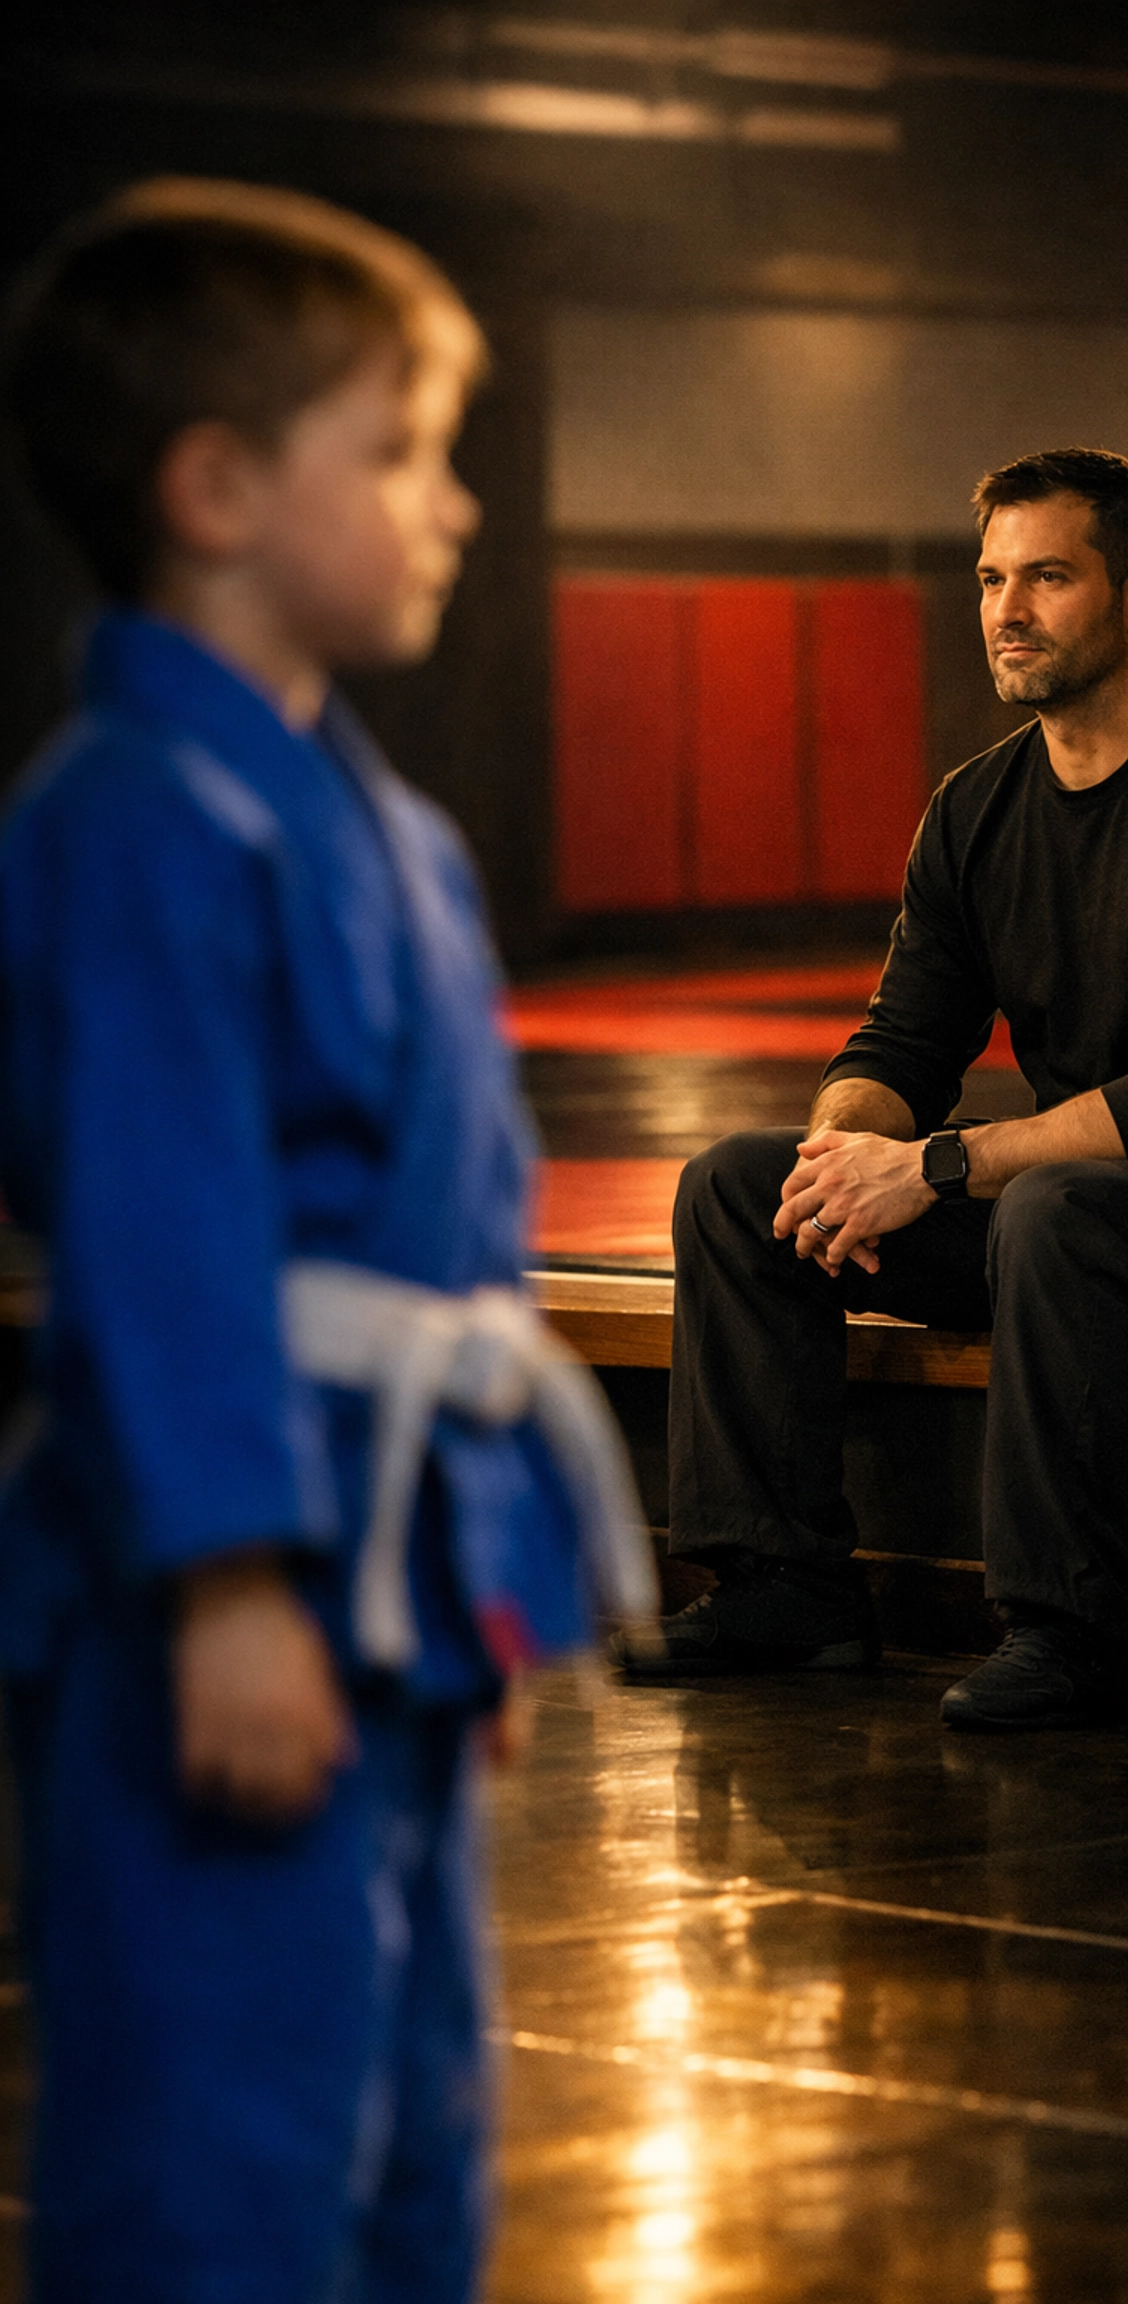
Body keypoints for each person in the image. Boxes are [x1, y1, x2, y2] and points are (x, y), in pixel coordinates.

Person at [0, 178, 651, 2304]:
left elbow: (454, 1237)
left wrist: (472, 1584)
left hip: (386, 1572)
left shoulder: (392, 830)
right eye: (394, 452)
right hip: (224, 1576)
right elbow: (156, 1238)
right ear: (211, 488)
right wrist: (229, 1586)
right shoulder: (130, 821)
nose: (451, 504)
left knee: (410, 2119)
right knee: (219, 2131)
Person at [617, 446, 1128, 1729]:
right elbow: (901, 1044)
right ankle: (782, 1587)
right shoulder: (976, 810)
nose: (1006, 610)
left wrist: (938, 1168)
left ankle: (1076, 1636)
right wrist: (844, 1152)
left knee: (1061, 1210)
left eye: (1048, 577)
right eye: (993, 578)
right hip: (1118, 1209)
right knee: (740, 1187)